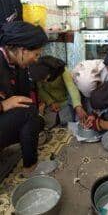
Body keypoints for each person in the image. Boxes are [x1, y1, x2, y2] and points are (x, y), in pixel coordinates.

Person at [0, 21, 50, 176]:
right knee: (29, 114)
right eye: (36, 54)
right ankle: (30, 167)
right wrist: (2, 105)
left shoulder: (17, 65)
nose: (36, 59)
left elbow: (25, 99)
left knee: (37, 120)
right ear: (22, 51)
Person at [29, 56, 87, 128]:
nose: (45, 81)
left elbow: (71, 87)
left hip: (66, 101)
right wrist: (51, 102)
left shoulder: (61, 70)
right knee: (48, 125)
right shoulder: (38, 72)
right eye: (43, 80)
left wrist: (78, 106)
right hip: (50, 103)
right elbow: (41, 90)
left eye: (47, 78)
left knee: (68, 123)